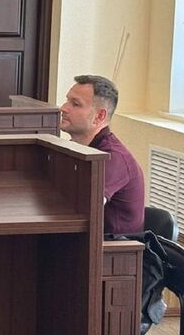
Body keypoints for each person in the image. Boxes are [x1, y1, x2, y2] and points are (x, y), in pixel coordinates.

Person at [60, 74, 145, 234]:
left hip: (112, 246)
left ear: (99, 116)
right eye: (67, 101)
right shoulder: (76, 148)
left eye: (75, 104)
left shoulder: (112, 157)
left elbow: (84, 205)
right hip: (83, 237)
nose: (63, 108)